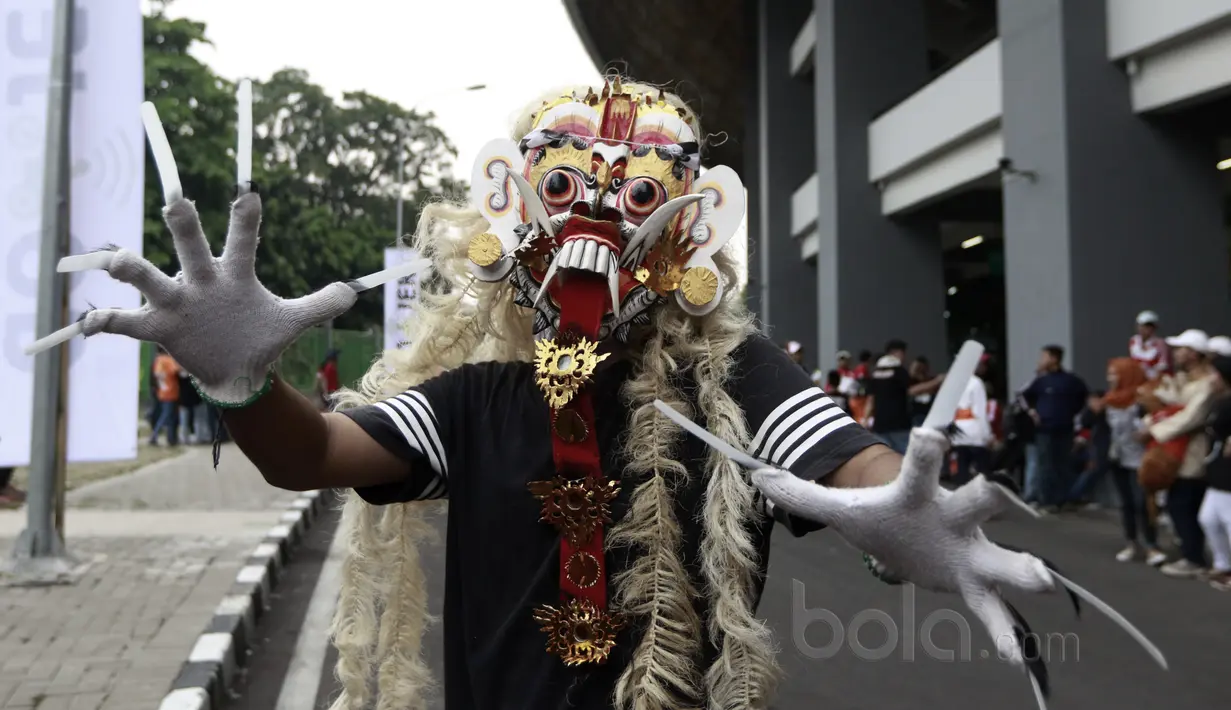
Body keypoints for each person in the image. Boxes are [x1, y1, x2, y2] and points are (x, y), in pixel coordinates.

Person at [35, 79, 1161, 710]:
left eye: (630, 194)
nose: (596, 219)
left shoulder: (736, 379)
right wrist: (240, 376)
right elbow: (317, 453)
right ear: (511, 210)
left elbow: (843, 457)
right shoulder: (473, 396)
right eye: (567, 188)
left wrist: (902, 511)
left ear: (688, 227)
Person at [1149, 329, 1215, 578]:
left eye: (1180, 349)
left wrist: (1153, 430)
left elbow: (1189, 417)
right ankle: (1195, 554)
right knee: (1186, 507)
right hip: (1179, 452)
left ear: (1193, 354)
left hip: (1194, 454)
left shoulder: (1207, 383)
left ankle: (1194, 558)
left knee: (1183, 505)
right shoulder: (1187, 379)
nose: (1175, 353)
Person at [1101, 358, 1165, 565]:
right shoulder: (1109, 399)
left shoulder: (1141, 400)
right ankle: (1131, 543)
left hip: (1139, 458)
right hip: (1117, 457)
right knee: (1126, 503)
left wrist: (1147, 431)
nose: (1110, 378)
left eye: (1114, 373)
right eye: (1109, 373)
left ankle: (1152, 546)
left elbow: (1156, 422)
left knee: (1142, 503)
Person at [1020, 345, 1088, 512]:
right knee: (1045, 465)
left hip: (1065, 428)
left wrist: (1071, 412)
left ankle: (1062, 500)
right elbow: (1025, 396)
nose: (1041, 360)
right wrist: (1033, 412)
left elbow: (1083, 396)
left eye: (1044, 357)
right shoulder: (1041, 381)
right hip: (1044, 428)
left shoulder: (1071, 380)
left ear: (1054, 358)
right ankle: (1046, 500)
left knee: (1062, 464)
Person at [865, 340, 943, 454]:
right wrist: (936, 381)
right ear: (896, 353)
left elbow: (870, 400)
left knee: (885, 458)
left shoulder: (876, 373)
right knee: (906, 459)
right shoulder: (899, 371)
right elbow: (911, 390)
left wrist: (866, 419)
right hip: (899, 425)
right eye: (902, 353)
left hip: (880, 426)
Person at [1199, 354, 1231, 590]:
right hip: (1217, 468)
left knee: (1229, 521)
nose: (1211, 379)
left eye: (1214, 374)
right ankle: (1222, 565)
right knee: (1208, 518)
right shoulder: (1217, 400)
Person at [950, 355, 991, 486]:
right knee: (982, 472)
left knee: (961, 470)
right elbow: (980, 412)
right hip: (974, 432)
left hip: (957, 432)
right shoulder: (976, 382)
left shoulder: (952, 382)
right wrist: (987, 435)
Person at [1066, 391, 1110, 508]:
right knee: (1090, 468)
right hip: (1094, 445)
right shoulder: (1089, 413)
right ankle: (1074, 496)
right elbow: (1085, 423)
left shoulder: (1108, 411)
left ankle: (1075, 495)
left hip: (1102, 444)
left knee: (1095, 468)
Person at [149, 346, 180, 446]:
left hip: (164, 393)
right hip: (170, 393)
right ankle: (154, 435)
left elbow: (157, 374)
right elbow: (177, 370)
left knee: (169, 416)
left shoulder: (158, 360)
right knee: (166, 415)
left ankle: (171, 439)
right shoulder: (167, 360)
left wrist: (162, 384)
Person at [1129, 310, 1169, 380]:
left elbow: (1163, 364)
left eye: (1149, 325)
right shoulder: (1134, 341)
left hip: (1153, 380)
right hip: (1136, 378)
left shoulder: (1161, 343)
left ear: (1155, 327)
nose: (1145, 328)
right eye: (1142, 325)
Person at [908, 356, 934, 428]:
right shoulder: (909, 382)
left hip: (929, 414)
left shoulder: (932, 382)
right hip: (914, 416)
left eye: (922, 369)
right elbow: (910, 391)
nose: (920, 372)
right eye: (917, 369)